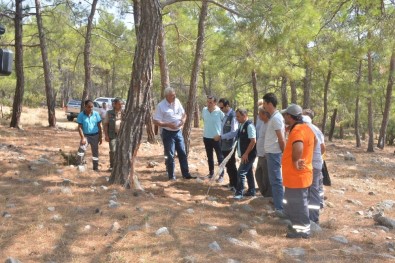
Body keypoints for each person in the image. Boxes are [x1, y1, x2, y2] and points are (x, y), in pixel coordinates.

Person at [282, 104, 315, 239]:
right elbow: (316, 142)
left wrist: (296, 161)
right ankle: (298, 226)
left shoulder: (297, 131)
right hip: (301, 175)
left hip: (297, 176)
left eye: (286, 115)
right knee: (297, 203)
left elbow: (298, 146)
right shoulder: (307, 128)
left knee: (298, 203)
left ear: (290, 117)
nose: (284, 117)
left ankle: (303, 231)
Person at [153, 87, 196, 181]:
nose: (174, 96)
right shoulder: (161, 106)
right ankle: (171, 175)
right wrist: (167, 124)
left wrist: (183, 121)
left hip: (178, 132)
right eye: (172, 95)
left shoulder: (177, 102)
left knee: (182, 152)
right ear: (167, 96)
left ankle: (186, 174)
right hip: (167, 133)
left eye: (174, 94)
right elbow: (155, 121)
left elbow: (184, 114)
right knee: (170, 154)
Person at [262, 93, 286, 217]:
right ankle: (278, 203)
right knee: (274, 180)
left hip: (274, 153)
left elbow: (281, 139)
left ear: (270, 104)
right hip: (271, 153)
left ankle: (279, 208)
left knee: (276, 180)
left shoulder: (276, 118)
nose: (264, 106)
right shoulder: (274, 117)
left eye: (265, 104)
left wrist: (284, 153)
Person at [302, 110, 326, 223]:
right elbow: (322, 147)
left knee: (312, 190)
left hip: (312, 164)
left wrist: (313, 157)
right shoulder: (316, 129)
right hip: (314, 163)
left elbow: (321, 147)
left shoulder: (307, 130)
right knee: (312, 189)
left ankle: (313, 217)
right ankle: (310, 214)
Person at [214, 98, 238, 187]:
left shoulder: (233, 116)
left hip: (230, 145)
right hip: (223, 144)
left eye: (222, 107)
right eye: (220, 108)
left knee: (231, 165)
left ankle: (235, 184)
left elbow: (234, 132)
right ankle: (232, 183)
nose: (221, 109)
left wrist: (221, 137)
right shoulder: (225, 115)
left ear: (227, 105)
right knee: (228, 165)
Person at [234, 108, 257, 200]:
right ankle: (252, 191)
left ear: (244, 116)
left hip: (249, 155)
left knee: (241, 173)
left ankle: (239, 192)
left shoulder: (249, 126)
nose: (236, 118)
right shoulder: (241, 125)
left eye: (238, 116)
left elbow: (253, 141)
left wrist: (246, 154)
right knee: (248, 172)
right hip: (244, 154)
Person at [202, 95, 225, 179]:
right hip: (206, 137)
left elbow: (224, 124)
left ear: (215, 103)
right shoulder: (204, 110)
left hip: (217, 138)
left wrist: (220, 135)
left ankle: (221, 175)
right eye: (208, 102)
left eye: (211, 102)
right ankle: (211, 173)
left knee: (220, 157)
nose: (209, 104)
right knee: (209, 156)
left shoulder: (220, 112)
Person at [76, 100, 103, 171]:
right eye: (89, 107)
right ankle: (80, 165)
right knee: (81, 149)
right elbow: (79, 127)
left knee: (95, 152)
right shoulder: (81, 115)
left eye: (92, 107)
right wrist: (82, 138)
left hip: (95, 136)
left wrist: (100, 137)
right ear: (85, 107)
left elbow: (100, 126)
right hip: (86, 136)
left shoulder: (96, 114)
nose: (90, 109)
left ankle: (95, 168)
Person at [255, 107, 272, 197]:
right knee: (258, 174)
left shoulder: (269, 124)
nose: (258, 115)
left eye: (260, 114)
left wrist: (266, 152)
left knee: (266, 177)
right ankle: (264, 193)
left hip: (266, 155)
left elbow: (269, 140)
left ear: (265, 114)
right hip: (260, 154)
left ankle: (269, 195)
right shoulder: (263, 123)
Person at [103, 98, 124, 171]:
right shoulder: (109, 113)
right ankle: (112, 166)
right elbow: (105, 124)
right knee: (113, 150)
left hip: (122, 135)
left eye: (121, 104)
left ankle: (121, 166)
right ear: (114, 104)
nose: (120, 105)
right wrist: (106, 135)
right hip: (112, 135)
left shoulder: (124, 113)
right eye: (119, 104)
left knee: (122, 151)